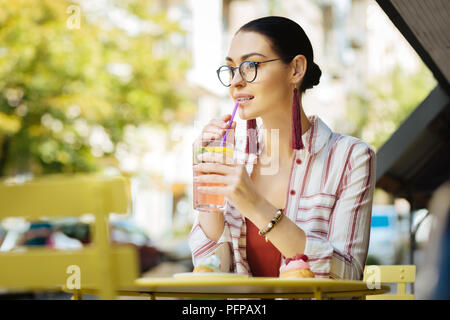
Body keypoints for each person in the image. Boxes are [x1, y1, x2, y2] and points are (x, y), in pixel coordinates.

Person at [189, 16, 376, 280]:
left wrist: (253, 203)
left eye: (251, 65)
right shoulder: (233, 158)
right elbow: (207, 269)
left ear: (296, 70)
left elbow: (348, 275)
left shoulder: (351, 158)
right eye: (231, 69)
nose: (235, 82)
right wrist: (207, 189)